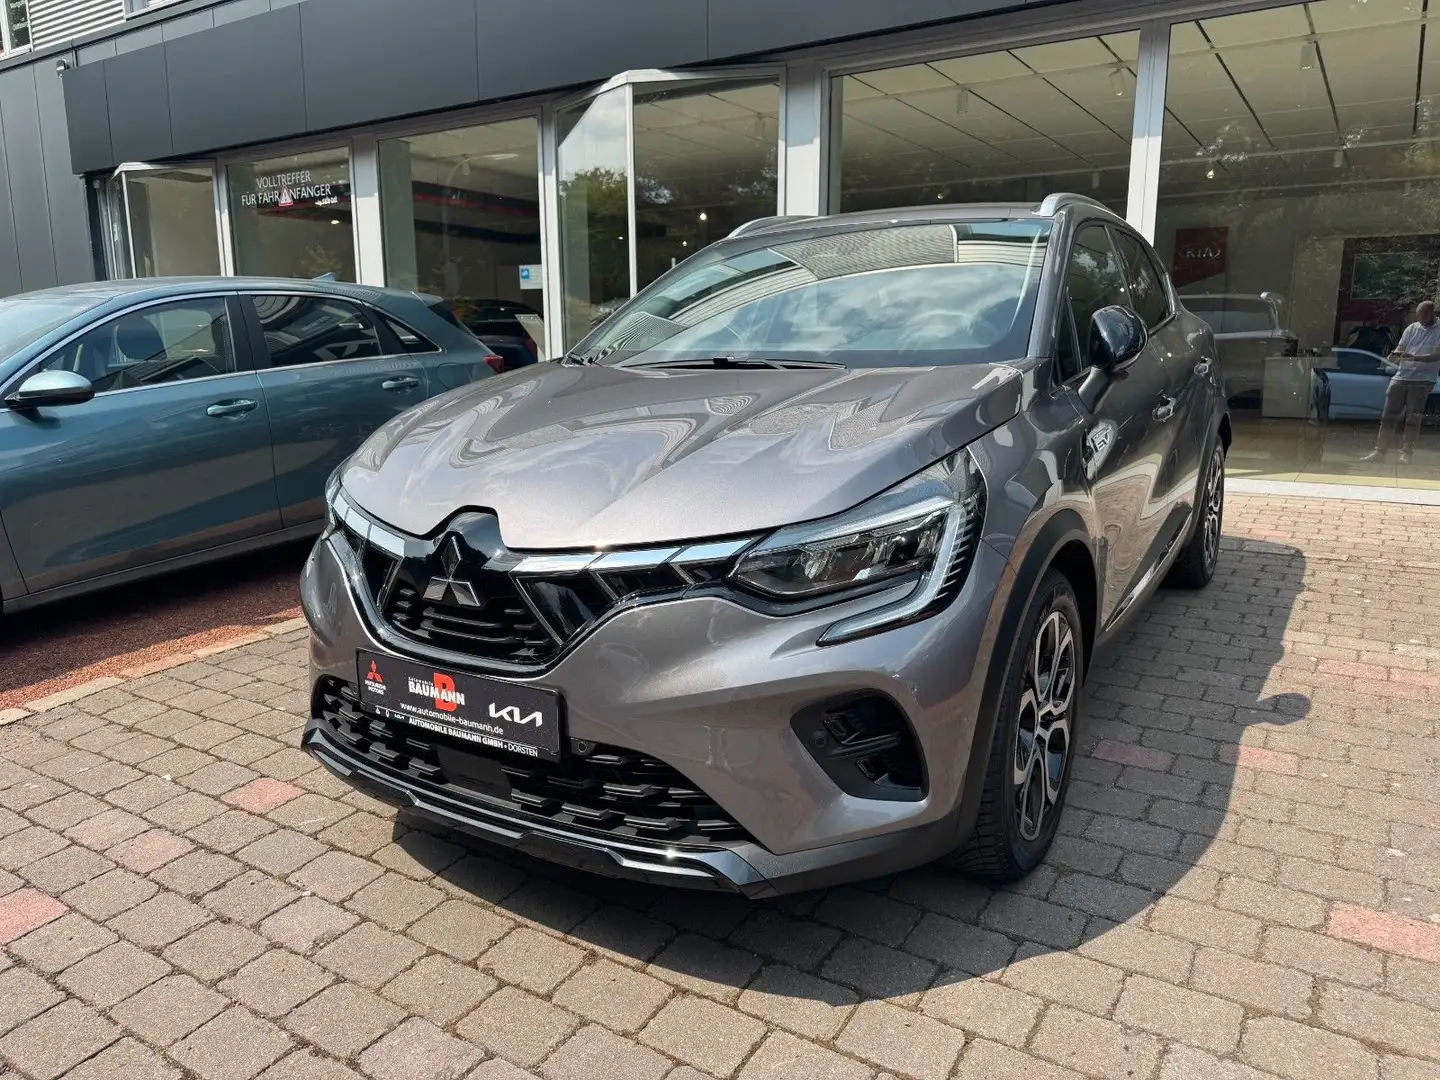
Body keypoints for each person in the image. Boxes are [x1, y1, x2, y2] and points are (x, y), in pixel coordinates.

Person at [1361, 300, 1440, 465]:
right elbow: (1401, 346)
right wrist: (1396, 354)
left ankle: (1406, 453)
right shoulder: (1412, 328)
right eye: (1418, 316)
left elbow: (1437, 355)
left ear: (1431, 313)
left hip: (1422, 379)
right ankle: (1379, 451)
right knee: (1388, 415)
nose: (1420, 319)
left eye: (1423, 315)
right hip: (1402, 375)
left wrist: (1413, 357)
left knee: (1413, 417)